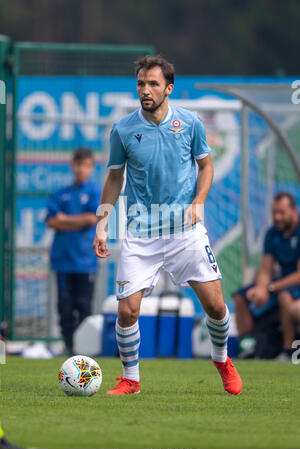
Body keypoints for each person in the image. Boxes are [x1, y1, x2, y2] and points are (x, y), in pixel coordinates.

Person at [93, 55, 242, 395]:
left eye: (153, 84)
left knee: (216, 306)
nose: (146, 90)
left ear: (169, 88)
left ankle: (221, 359)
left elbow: (206, 167)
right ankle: (131, 378)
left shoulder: (190, 124)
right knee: (127, 310)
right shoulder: (124, 129)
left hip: (184, 233)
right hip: (140, 233)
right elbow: (115, 177)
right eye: (141, 84)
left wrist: (198, 202)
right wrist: (103, 224)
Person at [45, 147, 101, 354]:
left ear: (91, 167)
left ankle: (84, 349)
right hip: (63, 259)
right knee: (65, 309)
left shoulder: (94, 192)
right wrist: (78, 221)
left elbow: (91, 218)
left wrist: (65, 220)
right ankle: (69, 347)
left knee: (84, 308)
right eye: (78, 164)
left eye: (86, 165)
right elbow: (51, 221)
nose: (81, 169)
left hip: (85, 260)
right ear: (73, 165)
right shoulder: (61, 194)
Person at [234, 192, 300, 360]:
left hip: (293, 285)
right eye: (274, 213)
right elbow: (265, 269)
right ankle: (248, 347)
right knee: (241, 297)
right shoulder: (272, 234)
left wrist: (270, 288)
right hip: (281, 283)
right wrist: (261, 289)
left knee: (285, 296)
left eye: (281, 213)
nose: (277, 217)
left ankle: (288, 351)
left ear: (294, 211)